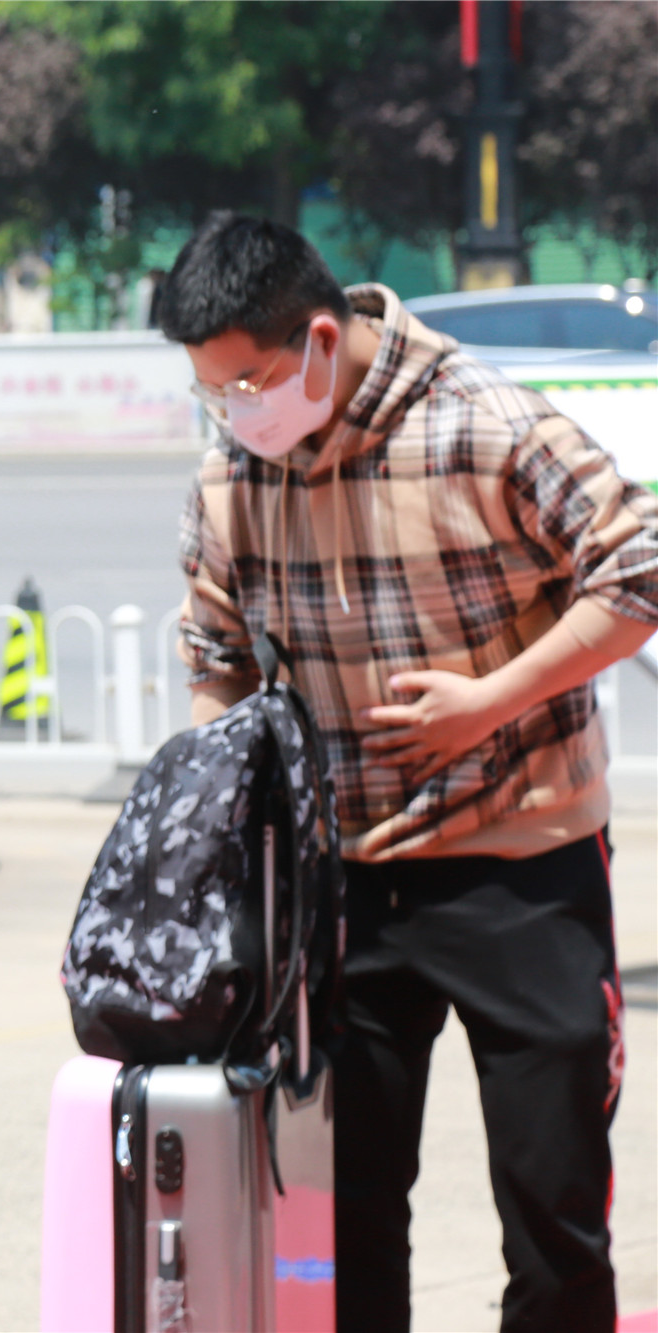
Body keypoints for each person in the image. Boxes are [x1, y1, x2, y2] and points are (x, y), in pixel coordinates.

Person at [158, 212, 657, 1333]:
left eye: (243, 385)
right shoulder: (232, 473)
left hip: (520, 871)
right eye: (209, 395)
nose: (231, 417)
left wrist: (493, 699)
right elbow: (213, 654)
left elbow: (638, 568)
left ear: (319, 342)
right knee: (343, 1218)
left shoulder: (481, 425)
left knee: (552, 1207)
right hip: (346, 892)